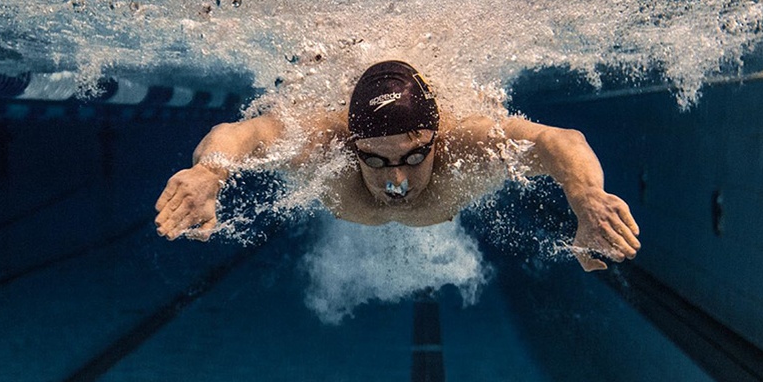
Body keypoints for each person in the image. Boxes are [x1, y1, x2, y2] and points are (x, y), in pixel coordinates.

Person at [155, 60, 641, 270]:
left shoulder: (466, 143)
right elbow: (245, 133)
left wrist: (585, 198)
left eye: (415, 155)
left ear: (435, 140)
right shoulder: (322, 144)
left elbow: (558, 141)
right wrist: (210, 172)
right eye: (373, 159)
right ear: (351, 143)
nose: (396, 180)